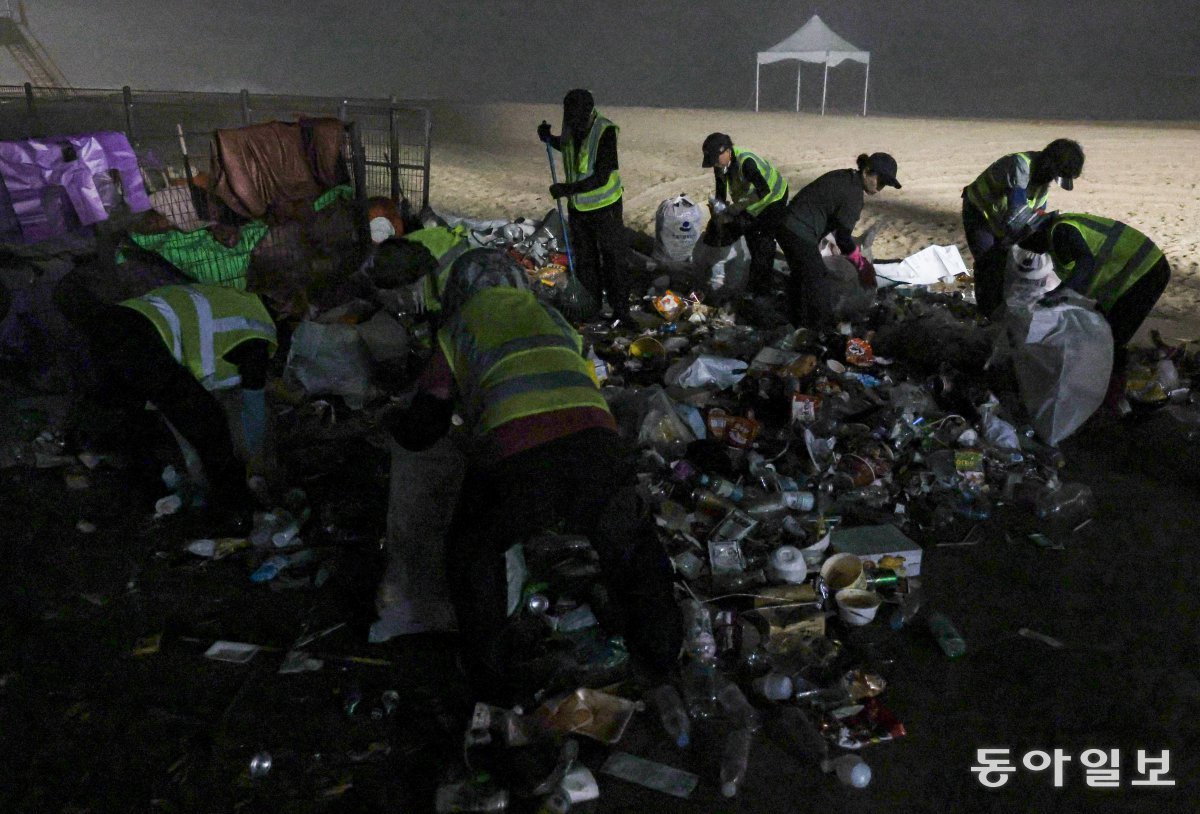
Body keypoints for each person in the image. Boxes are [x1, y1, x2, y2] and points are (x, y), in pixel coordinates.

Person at [388, 247, 681, 702]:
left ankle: (492, 681)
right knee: (633, 543)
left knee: (473, 551)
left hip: (515, 458)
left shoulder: (458, 326)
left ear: (460, 291)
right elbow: (576, 383)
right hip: (596, 444)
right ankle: (662, 655)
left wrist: (392, 423)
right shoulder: (553, 318)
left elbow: (426, 429)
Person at [54, 273, 277, 517]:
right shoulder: (256, 334)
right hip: (141, 341)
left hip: (124, 326)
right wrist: (255, 455)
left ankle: (146, 488)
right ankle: (236, 510)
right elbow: (252, 405)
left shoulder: (237, 301)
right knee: (209, 429)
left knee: (133, 418)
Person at [1021, 212, 1171, 390]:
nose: (1028, 248)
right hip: (1139, 275)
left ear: (1035, 231)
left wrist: (1059, 294)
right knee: (1105, 333)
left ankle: (1112, 395)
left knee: (1113, 338)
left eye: (1025, 241)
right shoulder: (1057, 238)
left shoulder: (1061, 231)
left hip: (1147, 272)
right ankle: (1108, 388)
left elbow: (1086, 264)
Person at [775, 153, 901, 328]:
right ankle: (816, 329)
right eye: (879, 180)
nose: (880, 187)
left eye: (885, 184)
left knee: (801, 276)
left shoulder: (844, 177)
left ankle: (794, 322)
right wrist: (862, 265)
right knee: (817, 281)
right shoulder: (853, 195)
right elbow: (843, 238)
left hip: (786, 225)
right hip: (799, 230)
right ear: (866, 172)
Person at [962, 139, 1085, 317]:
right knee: (987, 264)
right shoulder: (1020, 165)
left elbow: (1031, 218)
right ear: (1049, 166)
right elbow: (1016, 216)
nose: (1052, 180)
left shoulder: (1042, 183)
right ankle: (986, 315)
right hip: (980, 213)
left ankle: (995, 311)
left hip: (1000, 221)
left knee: (1003, 266)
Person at [537, 89, 630, 322]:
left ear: (588, 111)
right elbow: (570, 149)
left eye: (576, 116)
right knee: (586, 260)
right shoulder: (572, 126)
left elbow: (601, 175)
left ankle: (621, 312)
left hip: (605, 207)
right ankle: (591, 307)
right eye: (568, 115)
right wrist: (549, 138)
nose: (571, 121)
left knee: (613, 259)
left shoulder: (604, 131)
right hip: (579, 210)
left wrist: (565, 189)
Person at [700, 132, 789, 295]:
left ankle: (762, 289)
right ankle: (754, 277)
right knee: (749, 234)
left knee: (762, 240)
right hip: (753, 202)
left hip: (774, 198)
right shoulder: (720, 164)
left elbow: (764, 189)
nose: (714, 164)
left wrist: (740, 207)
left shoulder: (746, 162)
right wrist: (718, 209)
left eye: (715, 159)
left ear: (726, 151)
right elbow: (721, 190)